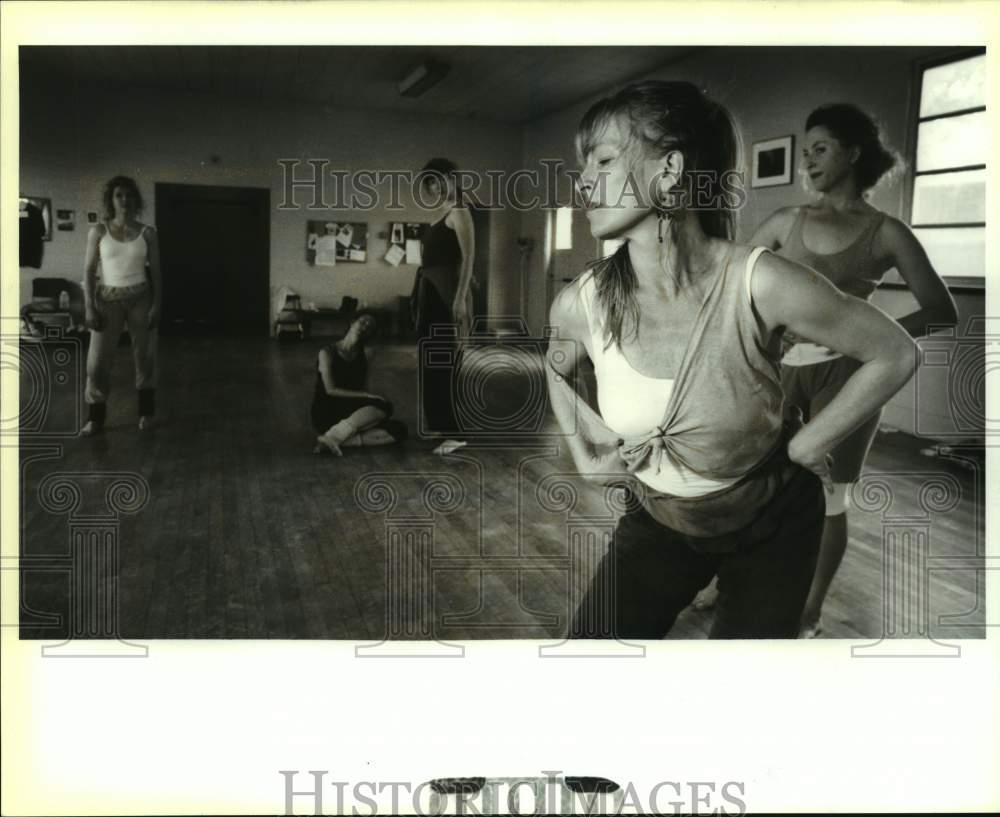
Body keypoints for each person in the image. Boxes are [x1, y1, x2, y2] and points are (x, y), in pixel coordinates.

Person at [546, 81, 918, 639]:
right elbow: (554, 364)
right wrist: (584, 454)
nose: (583, 180)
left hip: (775, 523)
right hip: (660, 520)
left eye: (601, 159)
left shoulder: (761, 280)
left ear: (669, 171)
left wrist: (805, 445)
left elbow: (894, 351)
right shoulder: (583, 301)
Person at [692, 104, 958, 636]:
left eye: (820, 148)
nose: (808, 160)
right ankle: (726, 581)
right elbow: (731, 286)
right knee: (748, 484)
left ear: (853, 153)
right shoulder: (787, 221)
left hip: (848, 382)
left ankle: (809, 612)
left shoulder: (886, 232)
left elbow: (940, 308)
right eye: (805, 149)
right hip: (778, 372)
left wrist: (860, 336)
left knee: (829, 497)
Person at [81, 176, 160, 435]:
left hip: (141, 297)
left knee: (145, 357)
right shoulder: (99, 231)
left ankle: (146, 414)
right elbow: (89, 271)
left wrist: (157, 305)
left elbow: (158, 274)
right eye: (118, 195)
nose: (124, 200)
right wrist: (90, 308)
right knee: (97, 362)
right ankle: (95, 418)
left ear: (135, 199)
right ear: (111, 200)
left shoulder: (148, 233)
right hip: (107, 299)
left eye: (128, 195)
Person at [411, 158, 475, 455]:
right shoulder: (439, 214)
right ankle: (438, 422)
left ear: (453, 178)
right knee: (429, 360)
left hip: (447, 294)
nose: (436, 187)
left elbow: (468, 258)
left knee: (443, 363)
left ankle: (455, 432)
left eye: (439, 180)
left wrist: (460, 298)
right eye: (431, 183)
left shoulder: (459, 212)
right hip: (430, 292)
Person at [313, 313, 407, 455]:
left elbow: (364, 385)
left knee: (399, 429)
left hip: (350, 411)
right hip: (326, 410)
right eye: (363, 322)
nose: (365, 327)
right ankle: (335, 436)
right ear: (352, 322)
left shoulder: (368, 353)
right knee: (381, 405)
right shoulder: (327, 352)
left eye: (370, 327)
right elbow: (330, 390)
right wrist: (368, 396)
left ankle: (333, 441)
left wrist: (370, 402)